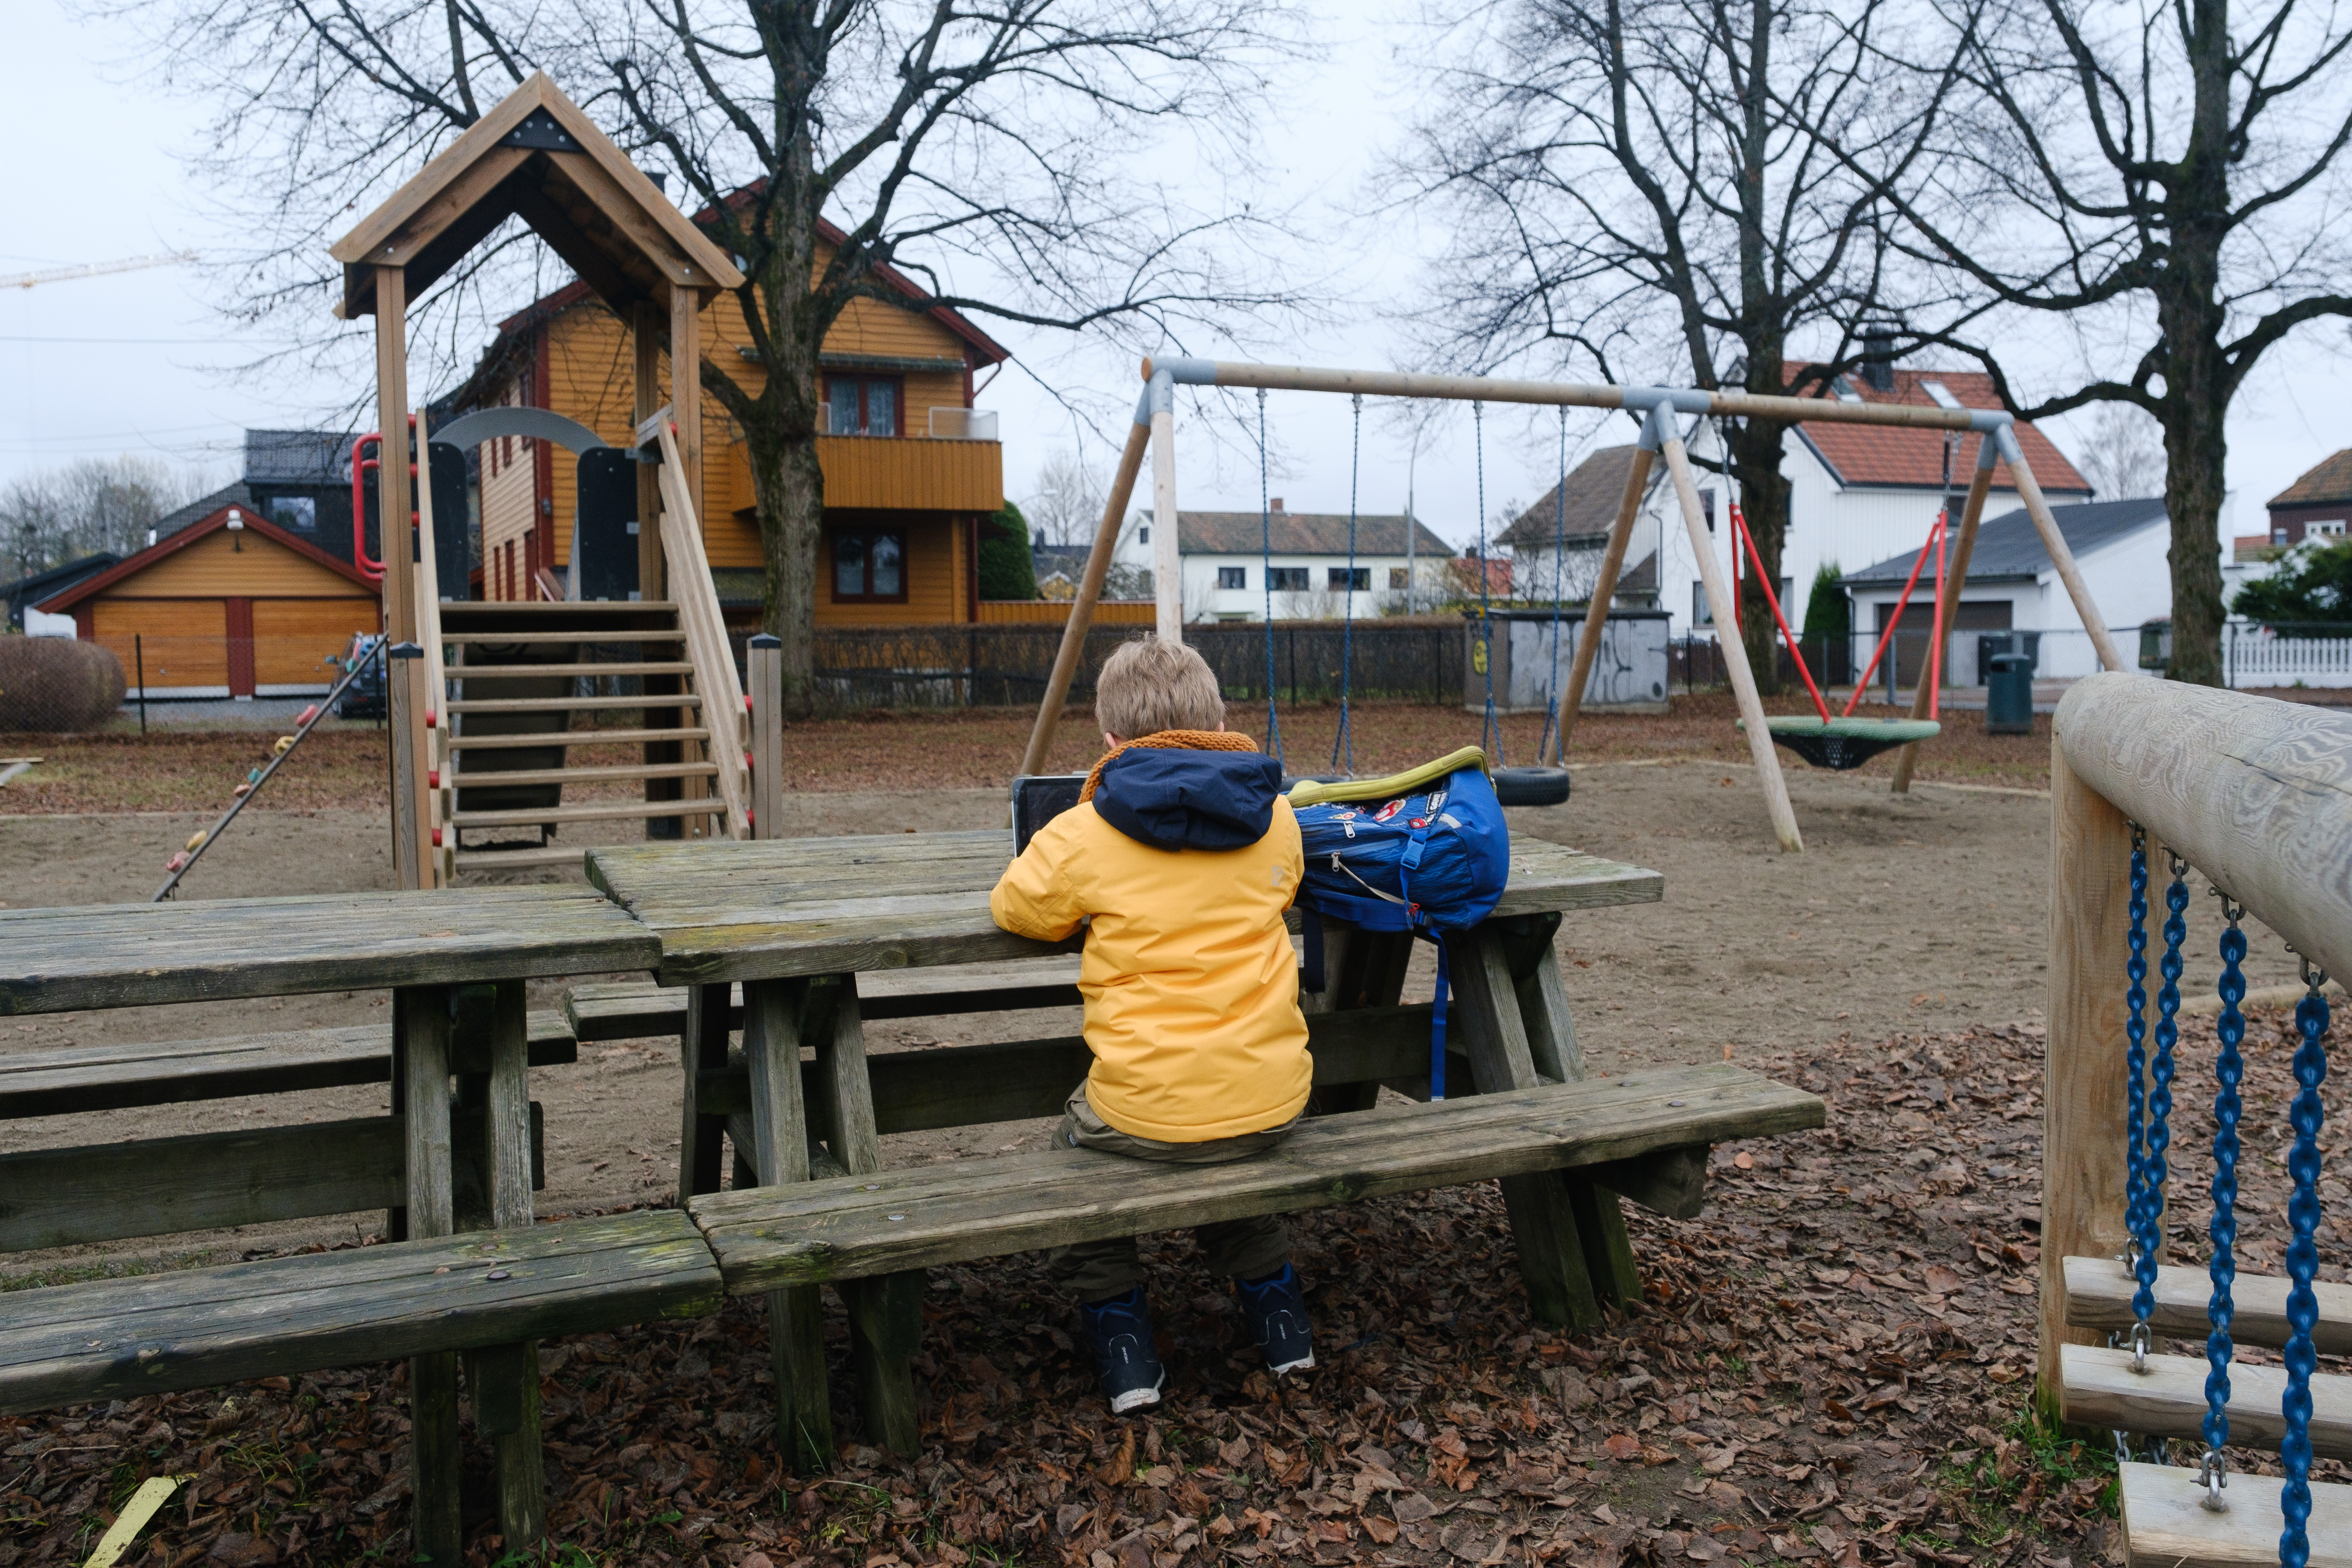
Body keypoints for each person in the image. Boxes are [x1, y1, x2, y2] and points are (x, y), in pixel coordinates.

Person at [990, 636, 1315, 1412]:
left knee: (1080, 1170)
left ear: (1109, 742)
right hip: (1271, 1104)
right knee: (1225, 1147)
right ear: (1219, 720)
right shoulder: (1276, 820)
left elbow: (1016, 906)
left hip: (1140, 1111)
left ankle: (1126, 1349)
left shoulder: (1083, 834)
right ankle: (1282, 1326)